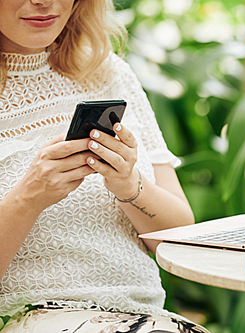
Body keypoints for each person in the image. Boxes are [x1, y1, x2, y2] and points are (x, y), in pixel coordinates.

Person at [0, 0, 210, 330]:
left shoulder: (109, 72)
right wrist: (29, 197)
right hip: (37, 317)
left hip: (147, 321)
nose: (43, 1)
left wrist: (130, 185)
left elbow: (179, 239)